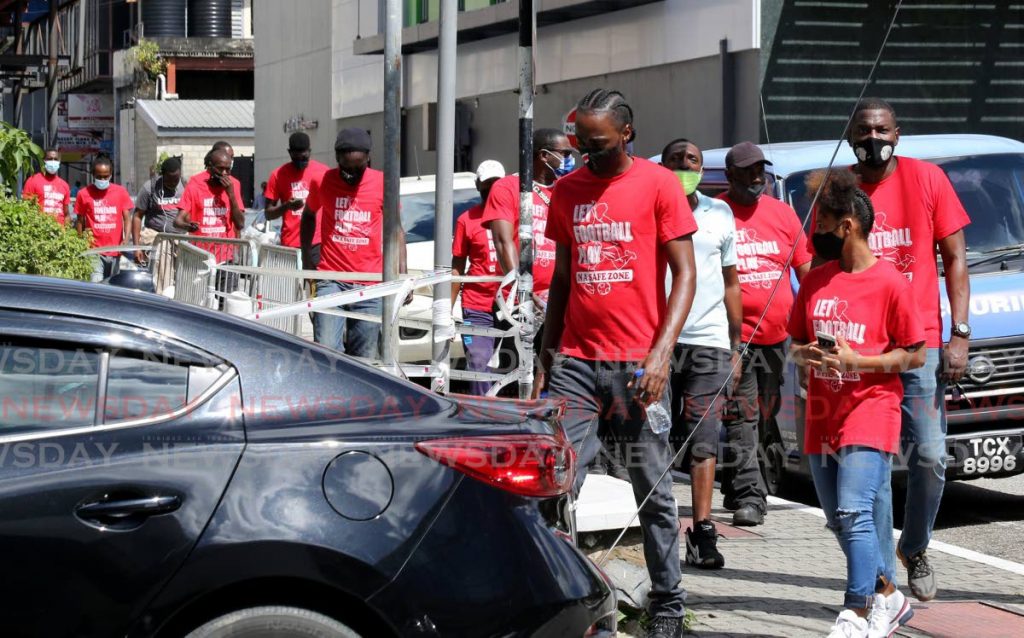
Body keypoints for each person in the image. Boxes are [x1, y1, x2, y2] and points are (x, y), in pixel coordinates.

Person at [537, 89, 697, 638]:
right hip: (576, 365)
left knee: (651, 490)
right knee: (554, 485)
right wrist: (547, 353)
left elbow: (686, 275)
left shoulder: (658, 185)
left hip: (638, 366)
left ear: (628, 135)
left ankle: (669, 605)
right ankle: (558, 597)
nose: (587, 155)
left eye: (599, 146)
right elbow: (562, 276)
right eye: (580, 143)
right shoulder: (567, 189)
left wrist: (661, 353)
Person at [808, 98, 970, 602]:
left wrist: (960, 333)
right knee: (870, 479)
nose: (872, 137)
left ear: (897, 133)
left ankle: (915, 546)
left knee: (930, 455)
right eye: (863, 129)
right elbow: (819, 264)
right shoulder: (838, 191)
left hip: (916, 344)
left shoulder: (927, 180)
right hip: (859, 350)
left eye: (881, 129)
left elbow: (956, 259)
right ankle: (882, 585)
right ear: (850, 133)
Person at [790, 169, 924, 638]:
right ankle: (889, 594)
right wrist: (804, 354)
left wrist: (859, 360)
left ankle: (858, 611)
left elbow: (915, 352)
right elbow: (794, 342)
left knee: (853, 511)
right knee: (838, 520)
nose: (814, 233)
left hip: (871, 408)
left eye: (820, 222)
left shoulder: (890, 282)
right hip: (822, 413)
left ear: (846, 226)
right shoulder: (815, 281)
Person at [718, 141, 812, 526]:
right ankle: (750, 498)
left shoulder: (782, 215)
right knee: (743, 415)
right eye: (747, 172)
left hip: (776, 338)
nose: (756, 178)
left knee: (764, 415)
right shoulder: (717, 214)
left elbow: (806, 273)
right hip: (732, 338)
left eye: (760, 170)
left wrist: (809, 330)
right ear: (730, 176)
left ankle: (741, 480)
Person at [661, 138, 742, 569]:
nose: (684, 166)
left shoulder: (720, 213)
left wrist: (736, 343)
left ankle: (702, 530)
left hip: (710, 341)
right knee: (651, 434)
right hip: (659, 341)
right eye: (675, 160)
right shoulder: (651, 207)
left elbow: (732, 283)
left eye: (691, 160)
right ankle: (656, 526)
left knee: (703, 436)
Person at [303, 127, 407, 358]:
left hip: (370, 284)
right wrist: (306, 258)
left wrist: (402, 272)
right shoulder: (322, 181)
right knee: (327, 350)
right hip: (331, 279)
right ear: (337, 158)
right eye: (346, 167)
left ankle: (358, 395)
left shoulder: (383, 182)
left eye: (358, 167)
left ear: (368, 158)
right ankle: (331, 394)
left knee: (365, 356)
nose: (351, 173)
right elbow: (308, 216)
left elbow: (396, 229)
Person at [482, 128, 575, 373]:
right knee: (515, 375)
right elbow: (503, 242)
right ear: (544, 155)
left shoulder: (567, 190)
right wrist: (523, 290)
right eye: (564, 153)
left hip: (560, 301)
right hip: (518, 302)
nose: (569, 159)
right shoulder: (508, 187)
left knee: (558, 374)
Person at [451, 159, 505, 396]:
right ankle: (482, 414)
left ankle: (505, 419)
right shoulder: (467, 220)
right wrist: (445, 309)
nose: (492, 190)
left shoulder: (515, 218)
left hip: (510, 306)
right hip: (477, 306)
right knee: (479, 364)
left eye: (497, 184)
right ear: (478, 186)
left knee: (508, 367)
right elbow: (457, 267)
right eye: (487, 185)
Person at [264, 132, 330, 269]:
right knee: (293, 288)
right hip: (290, 245)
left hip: (317, 244)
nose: (301, 162)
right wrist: (287, 206)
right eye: (296, 159)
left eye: (304, 158)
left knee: (315, 287)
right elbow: (268, 214)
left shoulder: (324, 172)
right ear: (289, 153)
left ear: (310, 151)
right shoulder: (278, 175)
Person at [174, 148, 246, 267]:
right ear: (210, 167)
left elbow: (240, 224)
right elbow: (177, 221)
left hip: (226, 258)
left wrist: (231, 195)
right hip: (200, 258)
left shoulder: (233, 184)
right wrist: (187, 226)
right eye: (220, 169)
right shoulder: (195, 183)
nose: (224, 174)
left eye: (228, 170)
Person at [75, 155, 134, 282]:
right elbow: (79, 221)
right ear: (93, 175)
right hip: (94, 250)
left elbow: (127, 218)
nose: (102, 179)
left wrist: (126, 238)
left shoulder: (120, 192)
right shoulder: (83, 194)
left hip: (115, 251)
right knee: (96, 284)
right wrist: (81, 243)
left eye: (105, 176)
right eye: (99, 176)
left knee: (112, 286)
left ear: (111, 174)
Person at [132, 157, 187, 262]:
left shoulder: (185, 186)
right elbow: (137, 216)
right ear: (163, 175)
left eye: (176, 179)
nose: (173, 183)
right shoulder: (150, 188)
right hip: (156, 237)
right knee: (163, 263)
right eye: (169, 180)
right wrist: (136, 248)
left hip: (180, 238)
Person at [23, 148, 71, 225]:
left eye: (55, 159)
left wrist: (66, 231)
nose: (53, 162)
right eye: (50, 159)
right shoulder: (32, 181)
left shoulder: (64, 185)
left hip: (60, 233)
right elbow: (26, 208)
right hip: (40, 231)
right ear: (43, 161)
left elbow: (66, 214)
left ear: (59, 162)